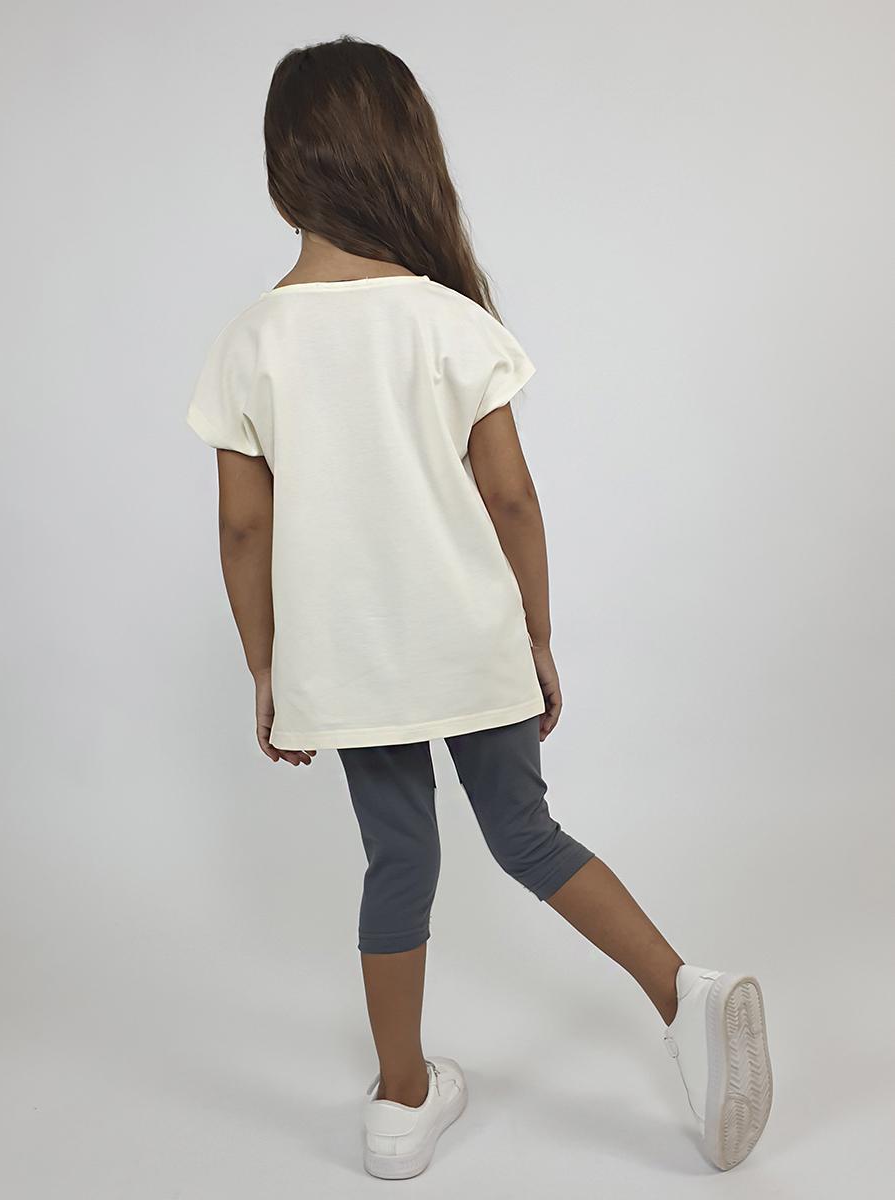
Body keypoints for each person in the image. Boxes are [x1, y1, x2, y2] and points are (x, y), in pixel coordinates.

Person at [185, 34, 772, 1181]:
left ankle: (400, 1105)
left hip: (349, 662)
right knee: (526, 835)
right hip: (471, 640)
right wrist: (536, 636)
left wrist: (266, 664)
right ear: (404, 156)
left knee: (398, 858)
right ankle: (680, 992)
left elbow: (243, 529)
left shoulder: (251, 341)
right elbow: (511, 498)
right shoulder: (450, 320)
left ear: (281, 167)